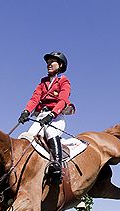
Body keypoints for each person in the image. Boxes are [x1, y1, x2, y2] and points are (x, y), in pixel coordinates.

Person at [18, 51, 72, 183]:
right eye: (47, 63)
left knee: (51, 132)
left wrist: (53, 114)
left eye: (51, 62)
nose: (49, 65)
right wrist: (26, 111)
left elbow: (63, 100)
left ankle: (57, 166)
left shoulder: (64, 81)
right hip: (41, 116)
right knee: (27, 136)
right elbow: (35, 98)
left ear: (60, 65)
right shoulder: (43, 82)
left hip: (56, 116)